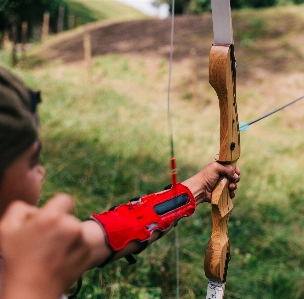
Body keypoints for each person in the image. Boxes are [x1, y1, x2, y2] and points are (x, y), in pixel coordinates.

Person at [0, 66, 240, 299]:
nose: (41, 172)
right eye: (32, 162)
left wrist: (197, 187)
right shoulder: (28, 265)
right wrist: (34, 282)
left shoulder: (26, 242)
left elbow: (116, 231)